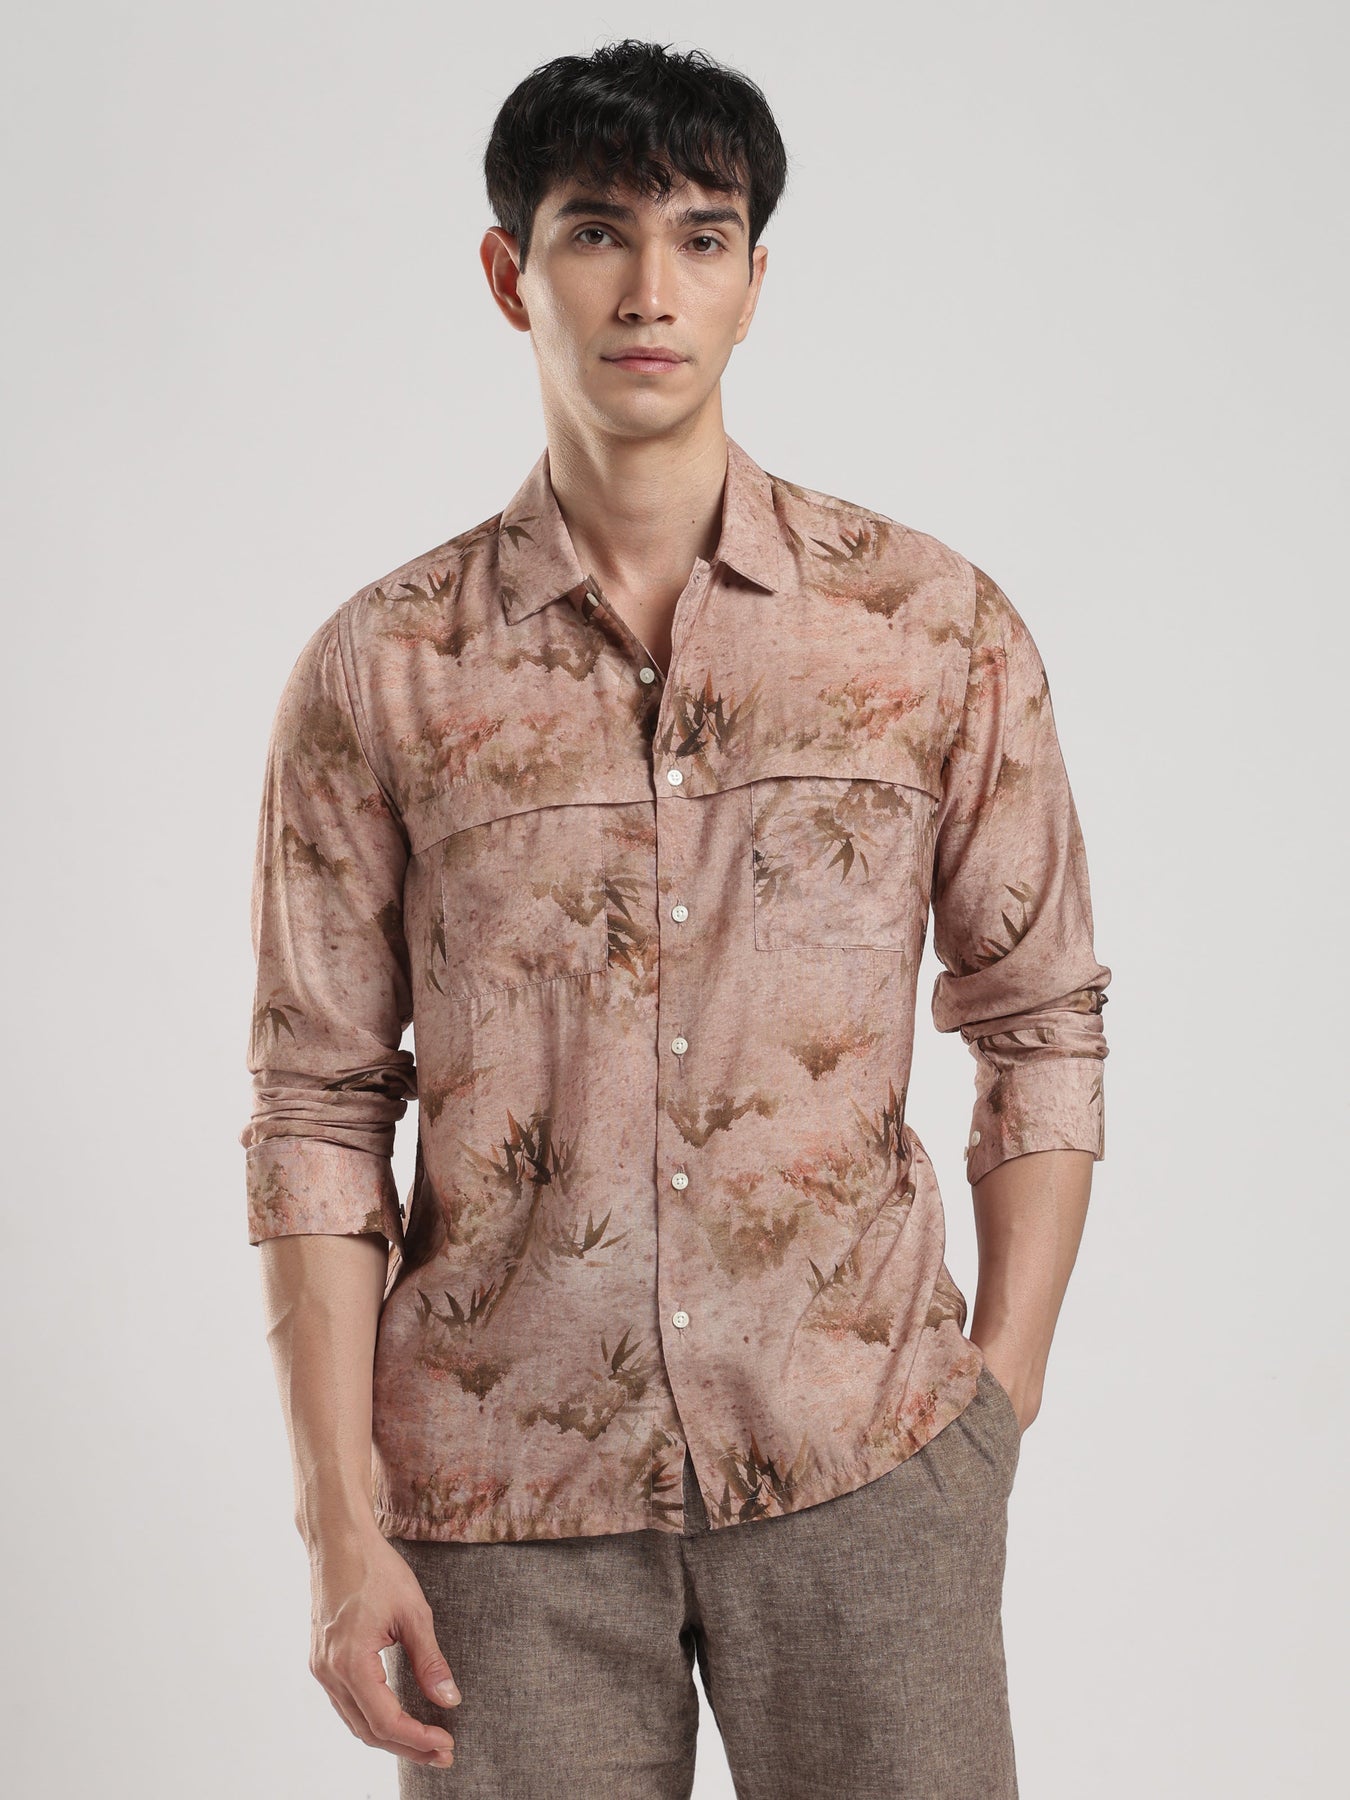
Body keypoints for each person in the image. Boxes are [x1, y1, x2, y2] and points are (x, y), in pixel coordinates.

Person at [240, 37, 1111, 1800]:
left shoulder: (926, 628)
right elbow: (318, 1106)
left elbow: (1039, 1020)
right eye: (597, 232)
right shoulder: (382, 669)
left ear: (753, 280)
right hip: (499, 1500)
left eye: (701, 237)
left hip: (866, 1462)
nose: (650, 289)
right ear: (512, 274)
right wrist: (340, 1526)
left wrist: (995, 1398)